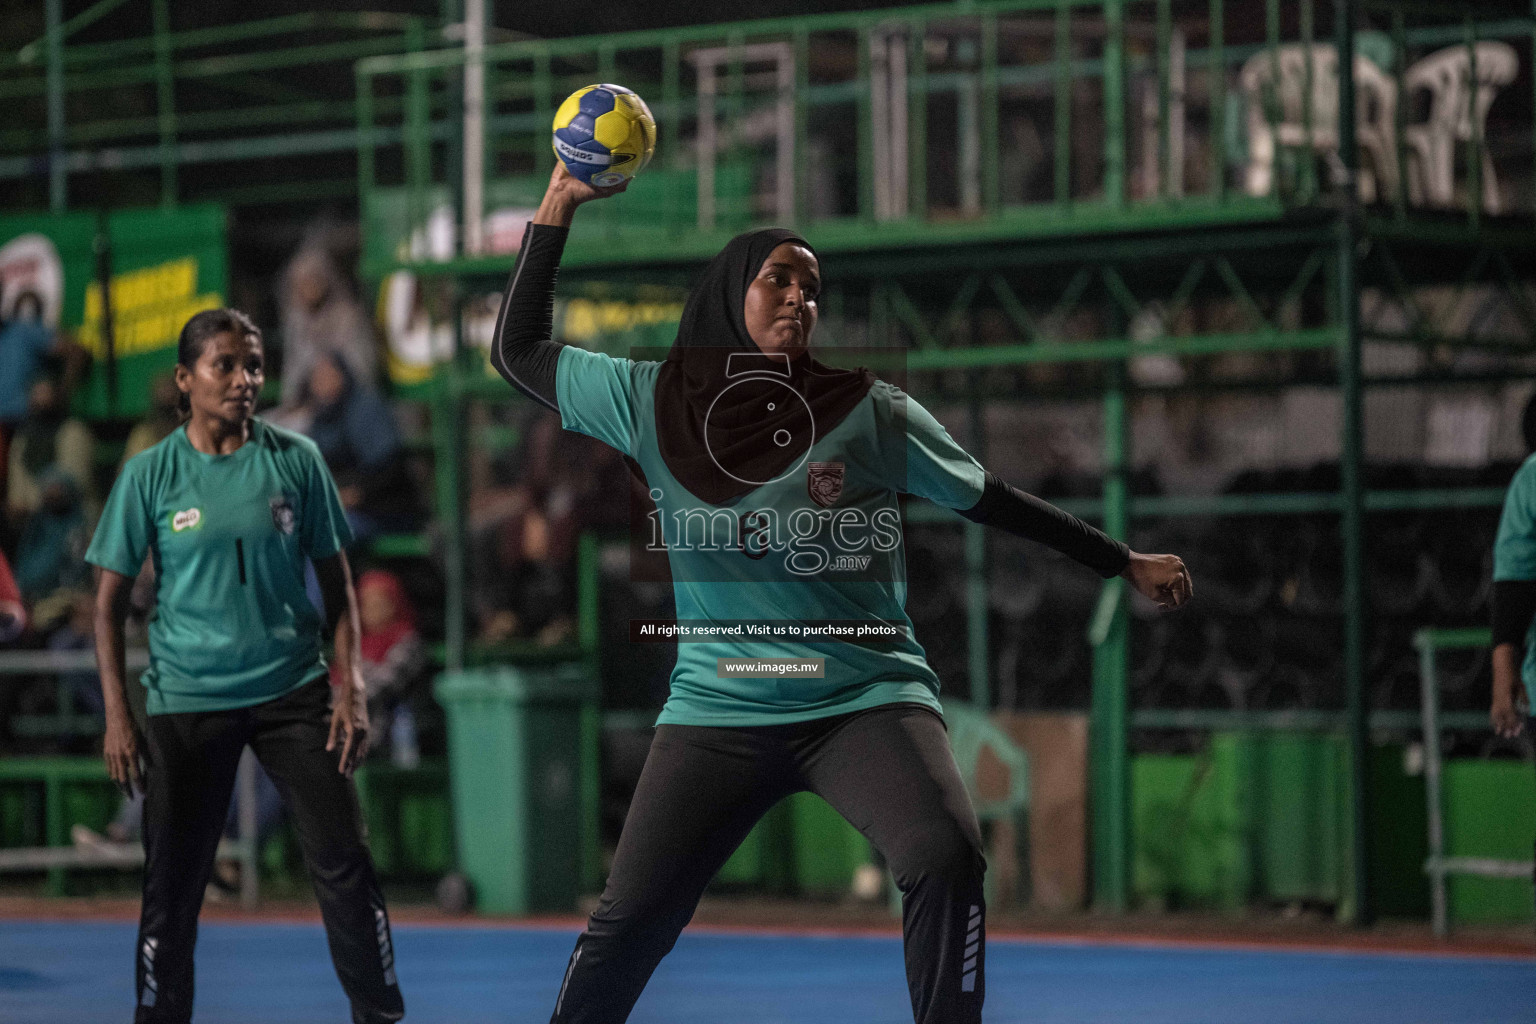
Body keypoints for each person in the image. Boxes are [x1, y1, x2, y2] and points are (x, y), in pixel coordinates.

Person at [491, 163, 1193, 1024]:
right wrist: (559, 203)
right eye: (778, 278)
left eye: (813, 288)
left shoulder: (868, 409)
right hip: (720, 706)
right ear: (728, 291)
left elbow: (990, 497)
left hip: (863, 699)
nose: (799, 298)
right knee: (631, 917)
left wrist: (1120, 559)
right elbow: (516, 351)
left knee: (945, 857)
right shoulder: (646, 399)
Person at [87, 308, 405, 1024]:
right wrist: (118, 717)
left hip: (293, 692)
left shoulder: (298, 460)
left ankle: (379, 1015)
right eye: (224, 365)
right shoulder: (150, 475)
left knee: (346, 869)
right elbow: (105, 606)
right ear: (184, 379)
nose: (243, 380)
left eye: (254, 365)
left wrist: (349, 687)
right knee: (172, 886)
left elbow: (341, 587)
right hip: (185, 702)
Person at [279, 243, 378, 407]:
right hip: (310, 403)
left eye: (313, 280)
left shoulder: (348, 316)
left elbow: (364, 371)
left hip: (349, 403)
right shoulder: (297, 321)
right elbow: (292, 371)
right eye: (301, 282)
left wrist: (334, 375)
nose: (308, 288)